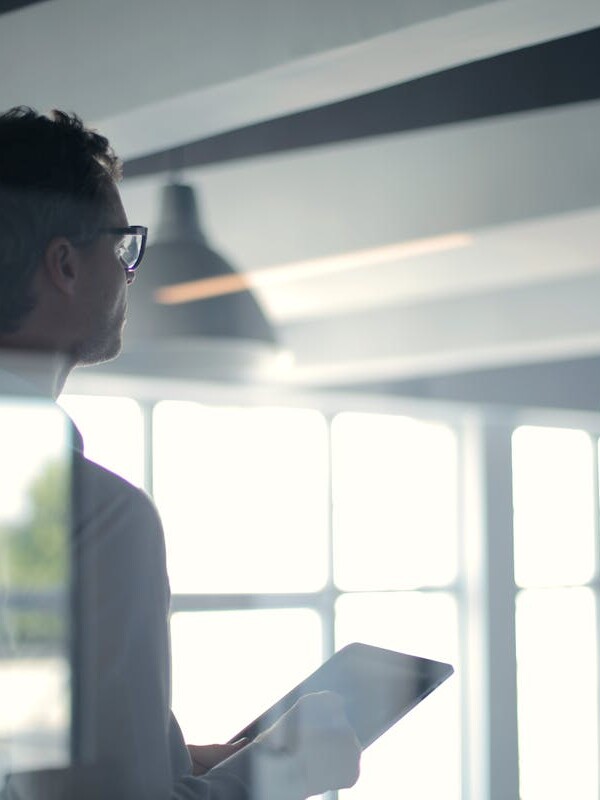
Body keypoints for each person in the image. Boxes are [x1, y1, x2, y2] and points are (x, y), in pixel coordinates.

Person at [0, 107, 361, 799]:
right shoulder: (92, 518)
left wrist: (162, 754)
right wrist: (285, 772)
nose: (132, 272)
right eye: (123, 245)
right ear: (65, 265)